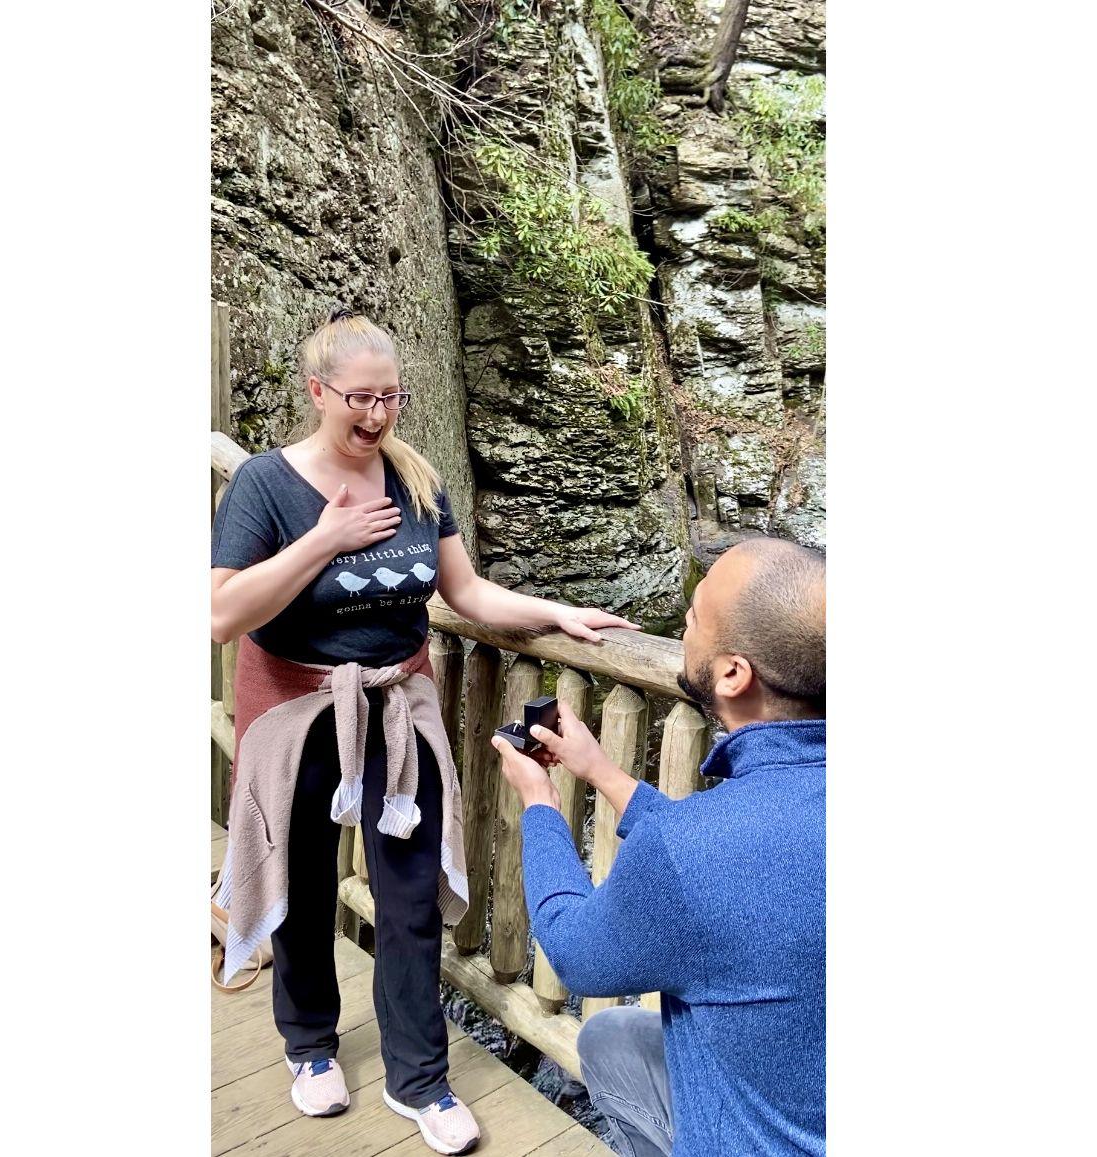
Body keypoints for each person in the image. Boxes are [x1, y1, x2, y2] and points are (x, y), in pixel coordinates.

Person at [210, 305, 638, 1156]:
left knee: (408, 899)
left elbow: (467, 596)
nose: (375, 416)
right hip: (299, 714)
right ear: (317, 391)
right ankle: (309, 1044)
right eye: (358, 399)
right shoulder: (265, 482)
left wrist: (557, 613)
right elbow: (222, 614)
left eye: (391, 398)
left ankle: (420, 1079)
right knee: (297, 881)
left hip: (396, 714)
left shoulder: (415, 477)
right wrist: (322, 539)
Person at [493, 538, 826, 1157]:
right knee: (617, 1035)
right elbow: (754, 863)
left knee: (604, 1038)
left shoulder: (693, 848)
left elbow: (574, 952)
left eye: (693, 617)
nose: (684, 628)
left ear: (732, 673)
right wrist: (602, 773)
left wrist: (539, 802)